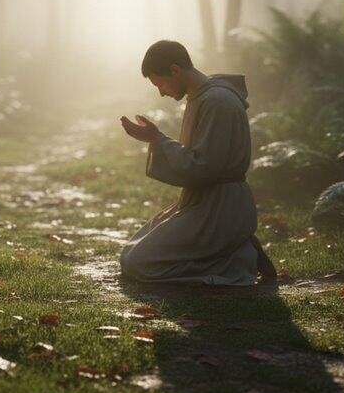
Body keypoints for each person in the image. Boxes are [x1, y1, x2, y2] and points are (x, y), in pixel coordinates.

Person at [119, 40, 277, 285]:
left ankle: (236, 257)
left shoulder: (216, 101)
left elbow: (204, 168)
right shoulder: (200, 96)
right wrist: (156, 140)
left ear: (175, 70)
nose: (161, 92)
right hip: (200, 201)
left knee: (138, 263)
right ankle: (232, 249)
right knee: (129, 254)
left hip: (220, 208)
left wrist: (157, 139)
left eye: (160, 83)